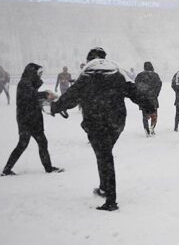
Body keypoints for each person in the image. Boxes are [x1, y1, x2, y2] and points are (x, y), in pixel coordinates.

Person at [50, 47, 154, 211]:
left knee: (104, 156)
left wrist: (56, 107)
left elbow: (72, 96)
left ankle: (111, 200)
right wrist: (148, 105)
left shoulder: (87, 75)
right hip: (117, 122)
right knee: (104, 154)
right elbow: (133, 91)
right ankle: (104, 187)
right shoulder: (117, 72)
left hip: (96, 121)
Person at [1, 63, 62, 176]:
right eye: (39, 73)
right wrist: (46, 94)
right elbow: (32, 95)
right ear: (32, 72)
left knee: (41, 142)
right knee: (24, 144)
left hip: (32, 119)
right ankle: (7, 169)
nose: (40, 75)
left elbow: (32, 97)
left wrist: (45, 100)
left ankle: (48, 168)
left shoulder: (29, 83)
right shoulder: (24, 83)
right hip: (27, 119)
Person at [135, 62, 162, 137]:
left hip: (144, 98)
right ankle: (152, 128)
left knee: (145, 116)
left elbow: (136, 85)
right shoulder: (155, 75)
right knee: (154, 114)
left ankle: (146, 130)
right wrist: (156, 94)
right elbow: (159, 85)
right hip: (153, 98)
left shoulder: (140, 75)